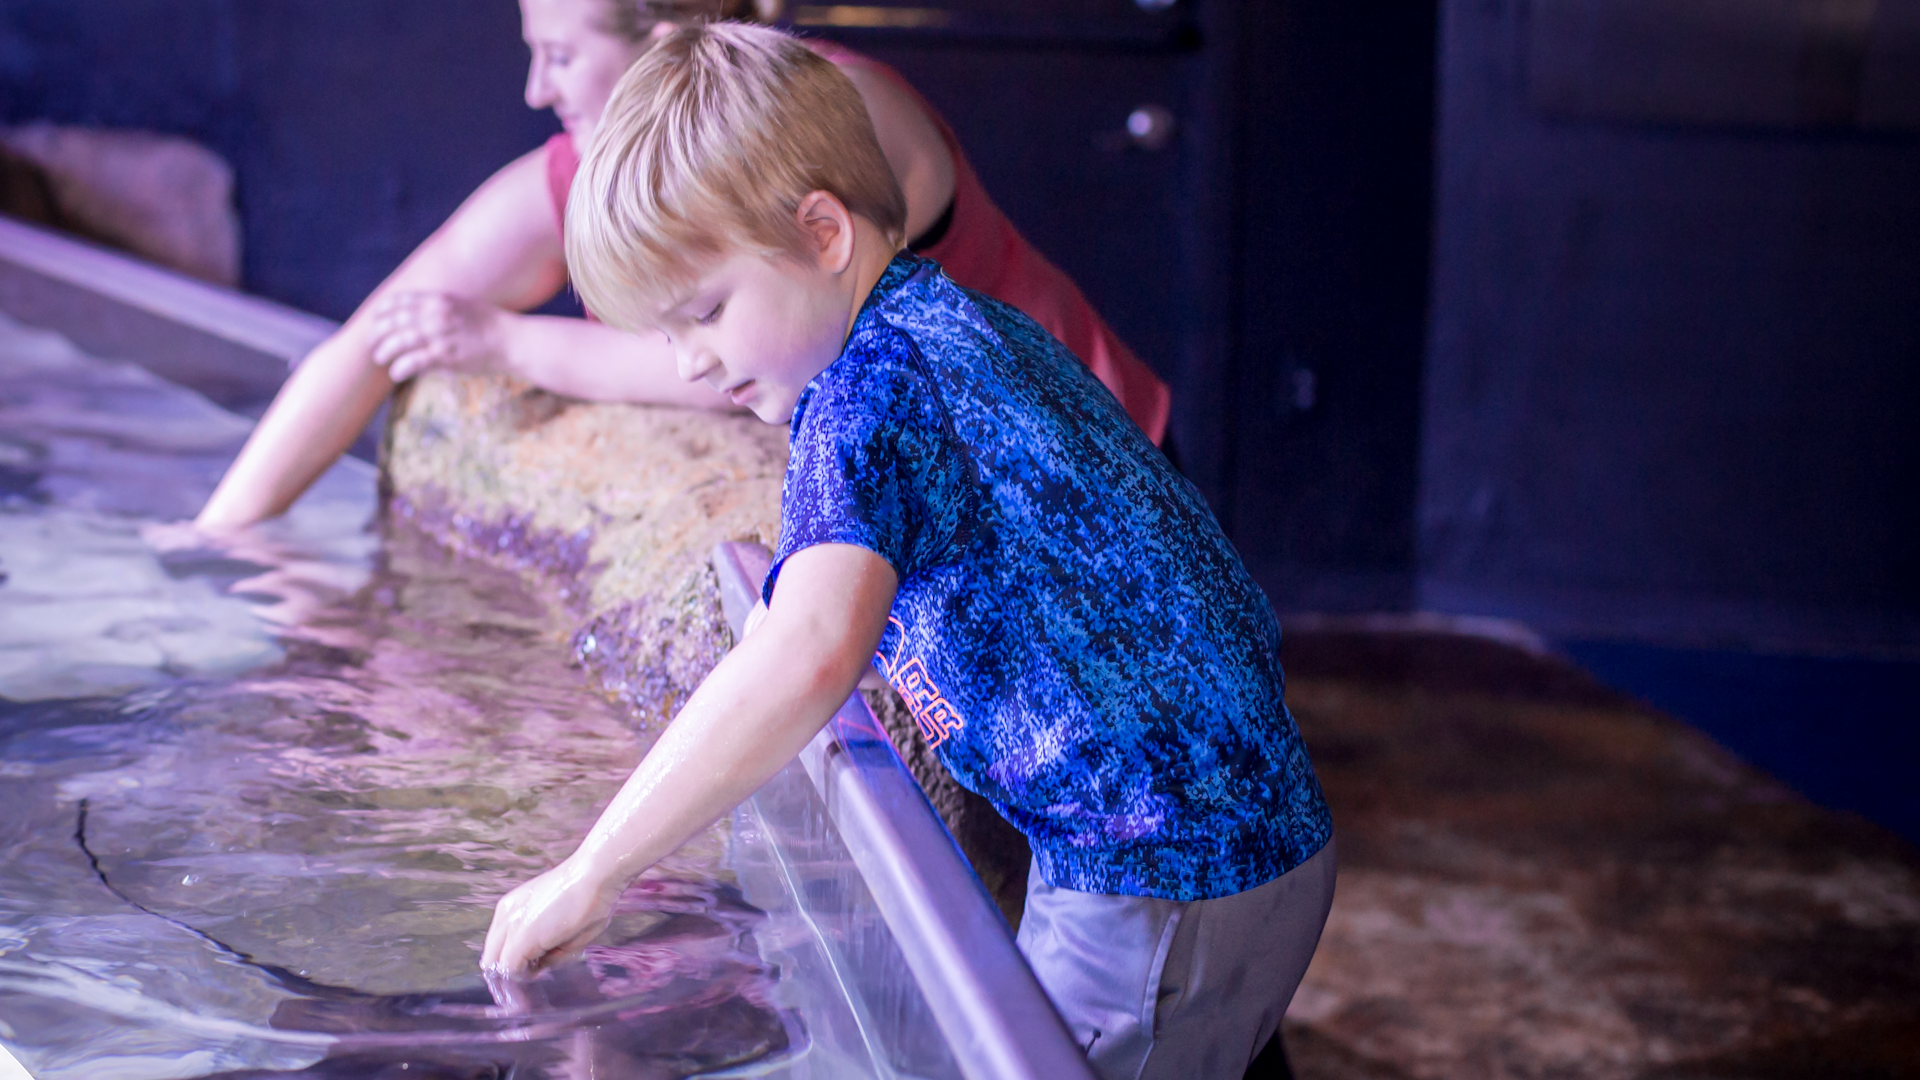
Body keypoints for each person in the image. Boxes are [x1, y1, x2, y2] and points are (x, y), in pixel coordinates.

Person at [481, 24, 1334, 1080]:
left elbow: (804, 654)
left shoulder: (872, 390)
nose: (690, 362)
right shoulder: (954, 325)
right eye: (666, 333)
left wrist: (595, 869)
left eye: (703, 312)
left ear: (824, 233)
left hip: (1154, 876)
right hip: (1231, 839)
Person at [193, 0, 1169, 533]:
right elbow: (381, 329)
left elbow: (742, 357)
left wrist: (503, 341)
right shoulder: (605, 160)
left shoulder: (825, 116)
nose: (535, 88)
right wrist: (215, 545)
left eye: (559, 53)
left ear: (662, 40)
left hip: (1085, 458)